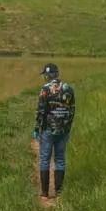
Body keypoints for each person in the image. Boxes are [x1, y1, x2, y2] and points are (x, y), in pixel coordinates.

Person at [32, 63, 75, 198]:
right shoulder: (68, 88)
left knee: (45, 159)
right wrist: (68, 128)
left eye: (45, 74)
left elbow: (41, 111)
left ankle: (45, 193)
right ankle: (59, 192)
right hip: (63, 130)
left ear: (49, 75)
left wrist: (36, 128)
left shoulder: (45, 89)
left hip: (47, 130)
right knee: (60, 159)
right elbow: (72, 110)